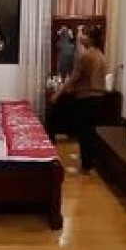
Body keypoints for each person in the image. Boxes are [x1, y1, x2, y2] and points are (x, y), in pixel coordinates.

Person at [49, 25, 107, 172]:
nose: (81, 37)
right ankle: (90, 162)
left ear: (91, 39)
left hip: (86, 98)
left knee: (84, 132)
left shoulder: (85, 56)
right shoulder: (101, 55)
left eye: (85, 35)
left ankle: (86, 164)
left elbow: (73, 78)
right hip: (100, 99)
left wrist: (57, 93)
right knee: (90, 130)